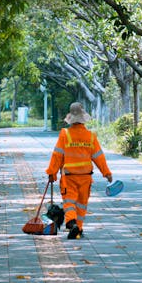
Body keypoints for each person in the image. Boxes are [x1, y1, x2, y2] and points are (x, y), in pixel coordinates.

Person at [46, 102, 113, 239]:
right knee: (82, 204)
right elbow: (99, 157)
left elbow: (57, 155)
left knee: (69, 201)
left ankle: (71, 222)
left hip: (69, 176)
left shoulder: (65, 134)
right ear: (83, 118)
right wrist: (107, 173)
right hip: (86, 177)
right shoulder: (91, 136)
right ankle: (79, 229)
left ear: (71, 119)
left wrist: (52, 172)